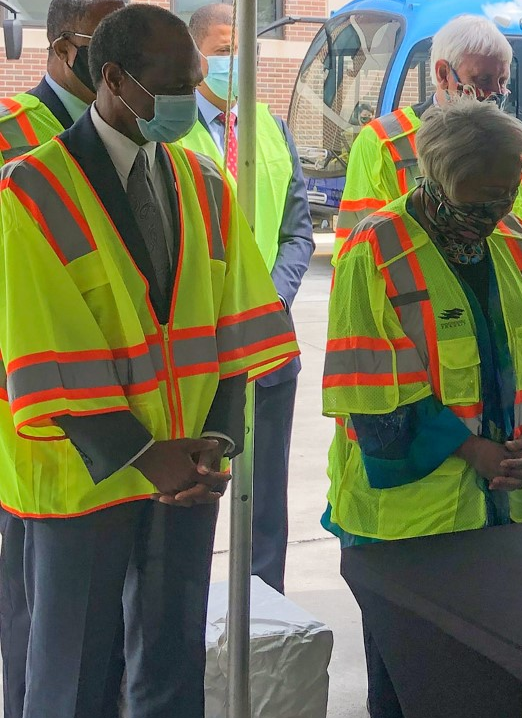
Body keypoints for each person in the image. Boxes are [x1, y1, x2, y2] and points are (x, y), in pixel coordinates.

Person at [0, 5, 298, 717]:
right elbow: (48, 347)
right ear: (113, 80)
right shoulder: (30, 189)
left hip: (189, 469)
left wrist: (216, 445)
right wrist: (142, 454)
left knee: (172, 666)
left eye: (196, 81)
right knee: (72, 675)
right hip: (85, 474)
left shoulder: (204, 180)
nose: (192, 99)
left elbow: (236, 329)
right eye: (175, 84)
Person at [322, 97, 522, 718]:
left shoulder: (516, 241)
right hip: (407, 514)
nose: (493, 214)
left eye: (507, 195)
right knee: (407, 677)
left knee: (483, 677)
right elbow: (374, 389)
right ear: (434, 178)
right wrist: (474, 450)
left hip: (497, 499)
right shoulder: (373, 248)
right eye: (478, 200)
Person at [0, 1, 123, 712]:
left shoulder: (142, 131)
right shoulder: (14, 134)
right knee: (42, 631)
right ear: (63, 47)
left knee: (110, 640)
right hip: (41, 424)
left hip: (136, 426)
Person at [179, 1, 315, 594]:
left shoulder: (271, 127)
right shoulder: (171, 131)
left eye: (244, 49)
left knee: (266, 488)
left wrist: (270, 300)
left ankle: (266, 601)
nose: (238, 60)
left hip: (269, 344)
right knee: (195, 486)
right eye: (224, 49)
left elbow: (298, 231)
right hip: (198, 349)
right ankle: (192, 604)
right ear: (194, 56)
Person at [334, 14, 522, 282]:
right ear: (444, 74)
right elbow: (360, 251)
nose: (496, 92)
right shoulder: (384, 142)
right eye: (483, 80)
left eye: (503, 82)